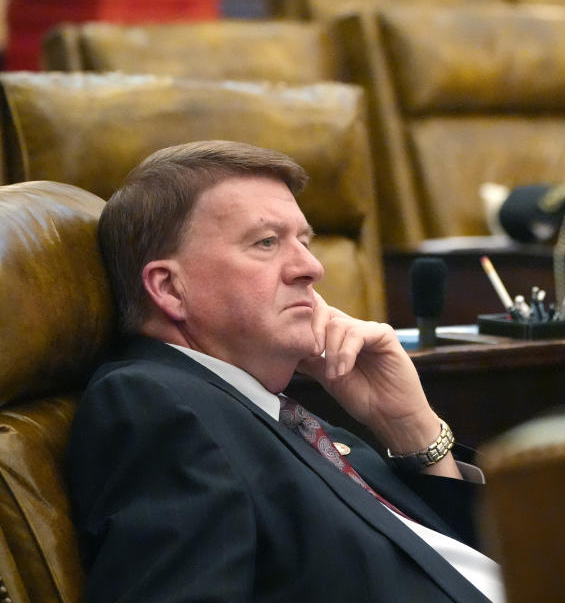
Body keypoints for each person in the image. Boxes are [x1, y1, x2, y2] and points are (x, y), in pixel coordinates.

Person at [67, 140, 504, 602]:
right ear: (170, 288)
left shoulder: (280, 411)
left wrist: (412, 428)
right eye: (267, 242)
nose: (310, 268)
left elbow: (458, 564)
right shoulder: (154, 405)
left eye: (305, 241)